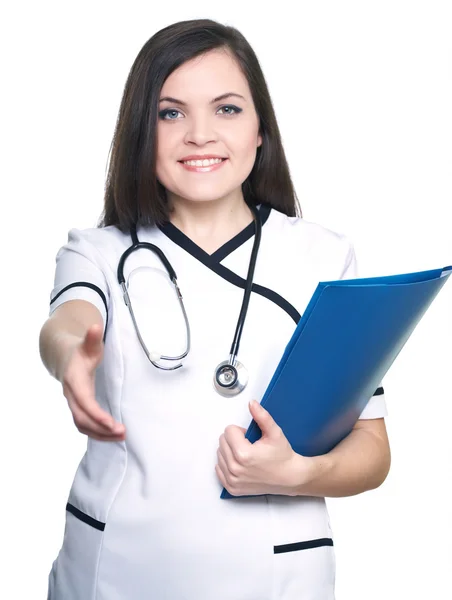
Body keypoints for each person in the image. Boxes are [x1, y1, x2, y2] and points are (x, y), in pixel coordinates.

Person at [39, 18, 390, 600]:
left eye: (226, 109)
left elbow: (373, 450)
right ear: (139, 133)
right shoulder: (97, 251)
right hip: (114, 572)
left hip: (278, 576)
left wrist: (300, 474)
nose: (199, 134)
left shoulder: (322, 257)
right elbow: (69, 320)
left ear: (260, 130)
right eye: (170, 113)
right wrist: (71, 356)